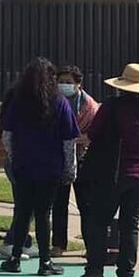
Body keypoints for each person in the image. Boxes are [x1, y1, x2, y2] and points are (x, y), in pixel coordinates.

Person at [71, 63, 139, 277]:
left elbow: (94, 133)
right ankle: (126, 276)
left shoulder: (112, 107)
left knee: (98, 221)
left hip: (113, 173)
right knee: (130, 225)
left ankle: (94, 271)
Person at [0, 57, 79, 276]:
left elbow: (7, 135)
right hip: (50, 167)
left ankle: (15, 258)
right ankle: (45, 262)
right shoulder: (60, 102)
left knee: (22, 212)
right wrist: (70, 169)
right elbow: (68, 140)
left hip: (24, 165)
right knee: (44, 214)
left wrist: (14, 158)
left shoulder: (18, 102)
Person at [51, 66, 100, 257]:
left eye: (68, 82)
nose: (64, 85)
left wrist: (75, 139)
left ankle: (91, 245)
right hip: (59, 157)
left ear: (78, 84)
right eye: (61, 81)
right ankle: (58, 244)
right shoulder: (53, 102)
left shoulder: (90, 106)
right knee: (59, 204)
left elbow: (96, 132)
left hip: (83, 159)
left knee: (86, 205)